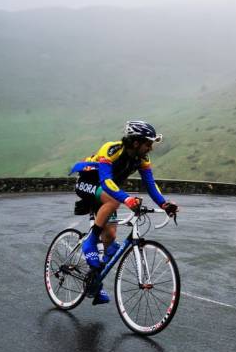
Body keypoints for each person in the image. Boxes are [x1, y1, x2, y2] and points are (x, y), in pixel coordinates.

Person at [69, 120, 179, 304]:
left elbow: (150, 185)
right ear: (136, 142)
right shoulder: (111, 149)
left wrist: (164, 204)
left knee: (110, 236)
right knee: (113, 200)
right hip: (88, 183)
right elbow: (105, 181)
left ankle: (94, 284)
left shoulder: (142, 159)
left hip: (108, 192)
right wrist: (126, 199)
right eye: (148, 144)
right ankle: (89, 242)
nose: (150, 148)